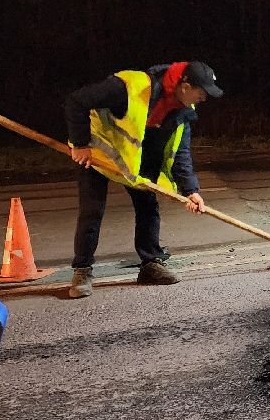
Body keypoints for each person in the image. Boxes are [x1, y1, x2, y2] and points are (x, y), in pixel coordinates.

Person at [63, 61, 224, 298]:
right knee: (92, 211)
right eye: (203, 91)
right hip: (97, 154)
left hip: (133, 160)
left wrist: (191, 190)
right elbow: (76, 101)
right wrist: (80, 143)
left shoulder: (183, 112)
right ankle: (82, 270)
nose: (204, 98)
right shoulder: (130, 86)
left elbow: (181, 153)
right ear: (185, 84)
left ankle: (151, 264)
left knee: (148, 207)